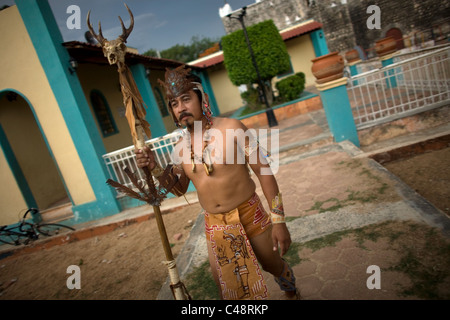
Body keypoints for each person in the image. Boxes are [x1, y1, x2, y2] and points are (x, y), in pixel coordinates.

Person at [135, 65, 299, 300]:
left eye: (185, 99)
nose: (181, 108)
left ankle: (292, 292)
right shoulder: (180, 149)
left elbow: (264, 172)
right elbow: (179, 188)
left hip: (250, 214)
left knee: (273, 264)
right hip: (216, 225)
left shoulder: (232, 128)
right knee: (228, 287)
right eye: (174, 103)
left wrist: (279, 220)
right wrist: (154, 168)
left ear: (202, 99)